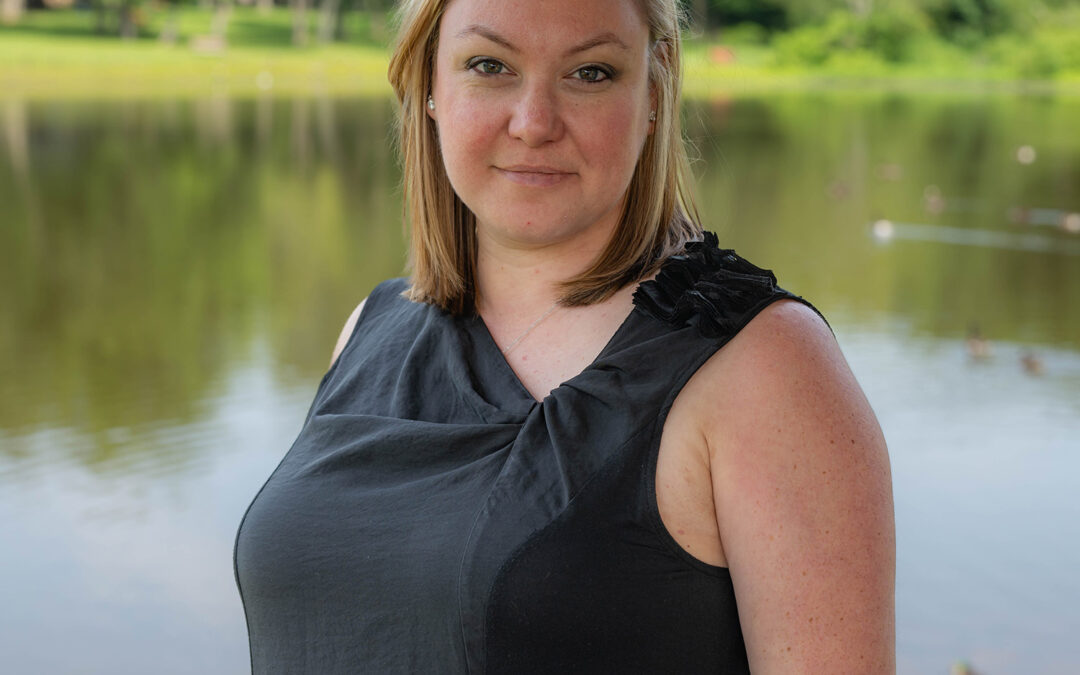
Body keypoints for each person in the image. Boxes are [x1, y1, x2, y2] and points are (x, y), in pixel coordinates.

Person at [233, 0, 895, 672]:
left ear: (654, 89)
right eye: (489, 65)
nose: (534, 123)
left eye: (591, 73)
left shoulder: (765, 368)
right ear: (429, 83)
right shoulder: (369, 329)